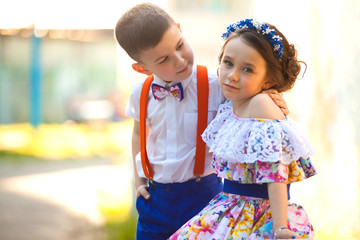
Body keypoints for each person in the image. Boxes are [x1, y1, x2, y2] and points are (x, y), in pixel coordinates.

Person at [115, 4, 289, 239]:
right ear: (142, 68)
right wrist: (139, 181)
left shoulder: (216, 84)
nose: (179, 60)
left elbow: (246, 102)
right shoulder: (140, 92)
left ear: (179, 29)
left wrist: (268, 98)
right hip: (154, 199)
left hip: (204, 194)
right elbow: (138, 133)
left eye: (179, 45)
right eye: (164, 59)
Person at [169, 19, 317, 240]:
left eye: (247, 69)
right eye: (228, 63)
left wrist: (279, 227)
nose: (233, 75)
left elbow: (275, 173)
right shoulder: (232, 104)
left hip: (255, 211)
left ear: (269, 80)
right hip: (228, 203)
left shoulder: (261, 104)